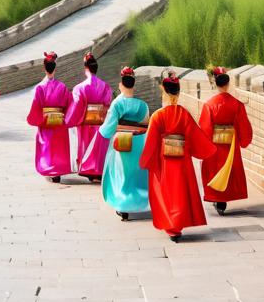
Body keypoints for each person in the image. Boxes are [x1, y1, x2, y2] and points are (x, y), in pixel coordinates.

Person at [139, 69, 216, 241]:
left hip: (163, 160)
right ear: (178, 93)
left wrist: (146, 160)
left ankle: (171, 225)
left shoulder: (158, 116)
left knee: (165, 192)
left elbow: (150, 142)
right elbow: (196, 136)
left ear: (164, 92)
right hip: (182, 161)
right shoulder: (184, 114)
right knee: (180, 192)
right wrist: (208, 149)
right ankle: (178, 224)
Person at [199, 66, 253, 215]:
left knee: (215, 170)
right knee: (229, 170)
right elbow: (243, 125)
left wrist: (203, 147)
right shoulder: (237, 104)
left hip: (214, 145)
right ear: (228, 84)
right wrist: (244, 140)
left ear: (215, 83)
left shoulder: (209, 105)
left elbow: (204, 128)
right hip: (231, 144)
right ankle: (223, 202)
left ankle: (218, 199)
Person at [98, 66, 151, 219]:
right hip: (138, 142)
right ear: (133, 84)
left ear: (121, 84)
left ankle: (123, 204)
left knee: (121, 173)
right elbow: (146, 126)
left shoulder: (117, 104)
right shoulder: (143, 106)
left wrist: (102, 131)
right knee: (136, 173)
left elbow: (108, 128)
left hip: (121, 142)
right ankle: (140, 200)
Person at [65, 52, 113, 182]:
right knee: (98, 144)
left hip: (85, 122)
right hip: (100, 122)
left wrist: (68, 120)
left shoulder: (79, 88)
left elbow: (76, 106)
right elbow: (107, 104)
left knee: (86, 143)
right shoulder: (105, 87)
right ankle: (98, 168)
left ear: (85, 68)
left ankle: (87, 168)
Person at [26, 52, 73, 181]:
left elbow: (36, 108)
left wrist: (39, 118)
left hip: (45, 120)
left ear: (44, 68)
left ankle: (49, 168)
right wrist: (64, 118)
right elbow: (71, 104)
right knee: (58, 145)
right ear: (55, 68)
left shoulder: (40, 88)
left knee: (47, 143)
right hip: (59, 120)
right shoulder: (62, 87)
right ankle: (57, 170)